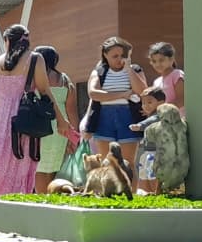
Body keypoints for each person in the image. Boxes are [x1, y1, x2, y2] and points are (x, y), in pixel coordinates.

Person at [0, 25, 74, 201]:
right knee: (21, 162)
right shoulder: (35, 59)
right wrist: (60, 119)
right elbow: (45, 91)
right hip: (24, 118)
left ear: (7, 41)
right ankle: (15, 199)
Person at [83, 35, 148, 182]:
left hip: (128, 116)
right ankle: (109, 191)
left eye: (122, 55)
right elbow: (94, 93)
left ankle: (131, 191)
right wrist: (123, 94)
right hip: (104, 118)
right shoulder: (99, 71)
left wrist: (128, 68)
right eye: (115, 56)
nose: (119, 59)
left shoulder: (135, 69)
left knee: (128, 163)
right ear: (105, 55)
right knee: (107, 162)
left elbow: (142, 91)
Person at [32, 44, 78, 193]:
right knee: (53, 166)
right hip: (61, 130)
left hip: (40, 127)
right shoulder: (65, 80)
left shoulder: (34, 78)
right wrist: (74, 137)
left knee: (39, 167)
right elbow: (72, 111)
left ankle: (42, 199)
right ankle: (51, 197)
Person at [148, 41, 185, 116]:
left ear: (171, 59)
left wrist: (162, 111)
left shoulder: (177, 75)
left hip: (178, 119)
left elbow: (181, 99)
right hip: (163, 120)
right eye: (154, 61)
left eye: (161, 60)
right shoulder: (157, 82)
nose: (157, 64)